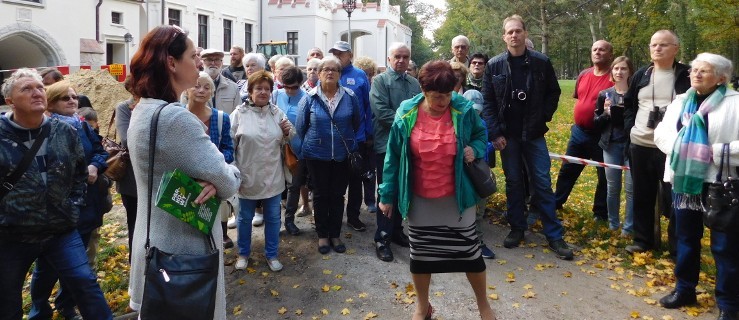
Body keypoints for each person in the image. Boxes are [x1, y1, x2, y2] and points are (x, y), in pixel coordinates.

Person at [126, 25, 241, 319]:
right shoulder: (176, 119)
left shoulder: (145, 109)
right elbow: (228, 182)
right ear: (171, 62)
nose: (200, 63)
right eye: (194, 56)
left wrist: (212, 178)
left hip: (153, 245)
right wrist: (221, 178)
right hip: (182, 256)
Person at [379, 60, 495, 320]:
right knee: (421, 257)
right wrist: (386, 195)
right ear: (422, 89)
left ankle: (483, 305)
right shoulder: (406, 114)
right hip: (420, 200)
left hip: (458, 198)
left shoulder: (463, 109)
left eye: (447, 95)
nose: (443, 102)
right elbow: (393, 156)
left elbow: (481, 135)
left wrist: (474, 149)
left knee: (470, 255)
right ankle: (423, 306)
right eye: (436, 97)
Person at [0, 68, 113, 319]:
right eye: (26, 89)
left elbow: (79, 173)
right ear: (9, 100)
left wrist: (72, 205)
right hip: (12, 235)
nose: (36, 92)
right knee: (7, 300)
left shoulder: (65, 131)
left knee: (85, 283)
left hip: (60, 229)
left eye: (39, 87)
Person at [653, 53, 739, 320]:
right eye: (694, 69)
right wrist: (680, 148)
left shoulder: (735, 104)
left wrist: (708, 151)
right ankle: (685, 289)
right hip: (684, 180)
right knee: (686, 238)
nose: (696, 74)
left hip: (719, 183)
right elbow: (662, 134)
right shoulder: (681, 102)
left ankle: (728, 303)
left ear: (722, 78)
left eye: (704, 71)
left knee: (725, 246)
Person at [481, 14, 573, 260]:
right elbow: (488, 102)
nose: (514, 35)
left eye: (518, 31)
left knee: (542, 182)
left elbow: (553, 93)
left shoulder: (541, 62)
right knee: (513, 182)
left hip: (533, 134)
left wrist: (543, 116)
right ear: (504, 36)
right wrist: (496, 133)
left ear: (525, 34)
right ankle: (517, 227)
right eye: (509, 32)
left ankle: (554, 234)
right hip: (507, 137)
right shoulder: (495, 65)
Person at [27, 80, 110, 320]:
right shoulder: (44, 128)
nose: (73, 101)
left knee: (78, 262)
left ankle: (66, 304)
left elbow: (100, 151)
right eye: (66, 98)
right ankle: (39, 309)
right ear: (51, 103)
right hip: (56, 209)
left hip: (85, 205)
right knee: (47, 268)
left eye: (74, 97)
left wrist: (95, 166)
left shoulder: (82, 126)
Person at [623, 30, 689, 254]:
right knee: (643, 195)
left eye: (663, 45)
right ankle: (643, 241)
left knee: (674, 197)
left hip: (672, 148)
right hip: (640, 143)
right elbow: (629, 105)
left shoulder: (686, 75)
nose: (657, 49)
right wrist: (630, 129)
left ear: (675, 48)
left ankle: (676, 246)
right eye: (653, 45)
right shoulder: (642, 74)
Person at [296, 56, 360, 255]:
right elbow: (300, 127)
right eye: (325, 69)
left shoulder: (350, 96)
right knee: (321, 195)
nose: (330, 72)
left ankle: (335, 234)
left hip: (342, 155)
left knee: (338, 195)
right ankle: (322, 235)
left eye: (334, 69)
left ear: (340, 74)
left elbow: (355, 123)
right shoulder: (310, 97)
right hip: (316, 155)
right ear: (319, 73)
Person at [232, 70, 294, 271]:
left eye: (267, 89)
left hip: (273, 176)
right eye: (258, 88)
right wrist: (233, 173)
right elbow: (230, 145)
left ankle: (272, 254)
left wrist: (288, 131)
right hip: (247, 176)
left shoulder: (277, 113)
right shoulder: (239, 114)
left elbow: (289, 137)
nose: (263, 92)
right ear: (250, 91)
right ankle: (243, 253)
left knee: (274, 218)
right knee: (244, 218)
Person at [370, 42, 420, 262]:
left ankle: (397, 229)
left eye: (405, 57)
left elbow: (421, 110)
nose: (401, 60)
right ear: (389, 59)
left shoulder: (414, 83)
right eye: (397, 56)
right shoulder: (379, 81)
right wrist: (407, 129)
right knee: (386, 190)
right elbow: (381, 112)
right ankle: (382, 237)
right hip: (386, 144)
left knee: (404, 188)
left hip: (410, 146)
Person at [554, 40, 613, 222]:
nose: (597, 52)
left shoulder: (614, 76)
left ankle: (600, 213)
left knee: (604, 175)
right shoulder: (584, 74)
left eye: (602, 50)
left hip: (602, 134)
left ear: (610, 54)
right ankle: (556, 202)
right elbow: (580, 99)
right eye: (594, 49)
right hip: (579, 132)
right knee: (567, 169)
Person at [186, 72, 236, 249]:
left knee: (213, 225)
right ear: (187, 90)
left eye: (207, 87)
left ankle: (220, 238)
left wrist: (213, 169)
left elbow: (229, 149)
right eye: (197, 85)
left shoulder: (222, 118)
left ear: (212, 93)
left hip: (213, 182)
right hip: (185, 181)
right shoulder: (179, 116)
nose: (201, 90)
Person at [329, 40, 373, 232]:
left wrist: (369, 133)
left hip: (357, 138)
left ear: (350, 55)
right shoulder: (329, 74)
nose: (337, 56)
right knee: (336, 180)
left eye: (341, 53)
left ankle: (354, 216)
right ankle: (334, 216)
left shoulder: (360, 75)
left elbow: (368, 106)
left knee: (356, 180)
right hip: (335, 139)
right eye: (335, 53)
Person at [593, 56, 635, 234]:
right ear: (612, 72)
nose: (619, 72)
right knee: (612, 187)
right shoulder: (605, 94)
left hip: (631, 146)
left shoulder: (636, 95)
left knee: (631, 189)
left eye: (623, 69)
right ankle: (613, 224)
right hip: (610, 145)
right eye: (616, 69)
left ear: (630, 72)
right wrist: (606, 113)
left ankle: (629, 227)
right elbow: (596, 122)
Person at [274, 66, 309, 235]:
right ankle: (274, 222)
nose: (289, 90)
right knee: (274, 187)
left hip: (297, 150)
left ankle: (289, 220)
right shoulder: (276, 95)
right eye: (285, 86)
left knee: (294, 186)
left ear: (300, 84)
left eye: (293, 87)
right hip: (275, 149)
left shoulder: (306, 99)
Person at [114, 75, 139, 260]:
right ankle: (136, 265)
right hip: (131, 179)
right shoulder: (124, 108)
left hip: (153, 177)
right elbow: (127, 140)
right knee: (135, 224)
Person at [200, 48, 240, 115]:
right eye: (209, 60)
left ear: (222, 63)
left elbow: (238, 114)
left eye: (217, 60)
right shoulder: (192, 86)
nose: (213, 63)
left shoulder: (233, 87)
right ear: (202, 63)